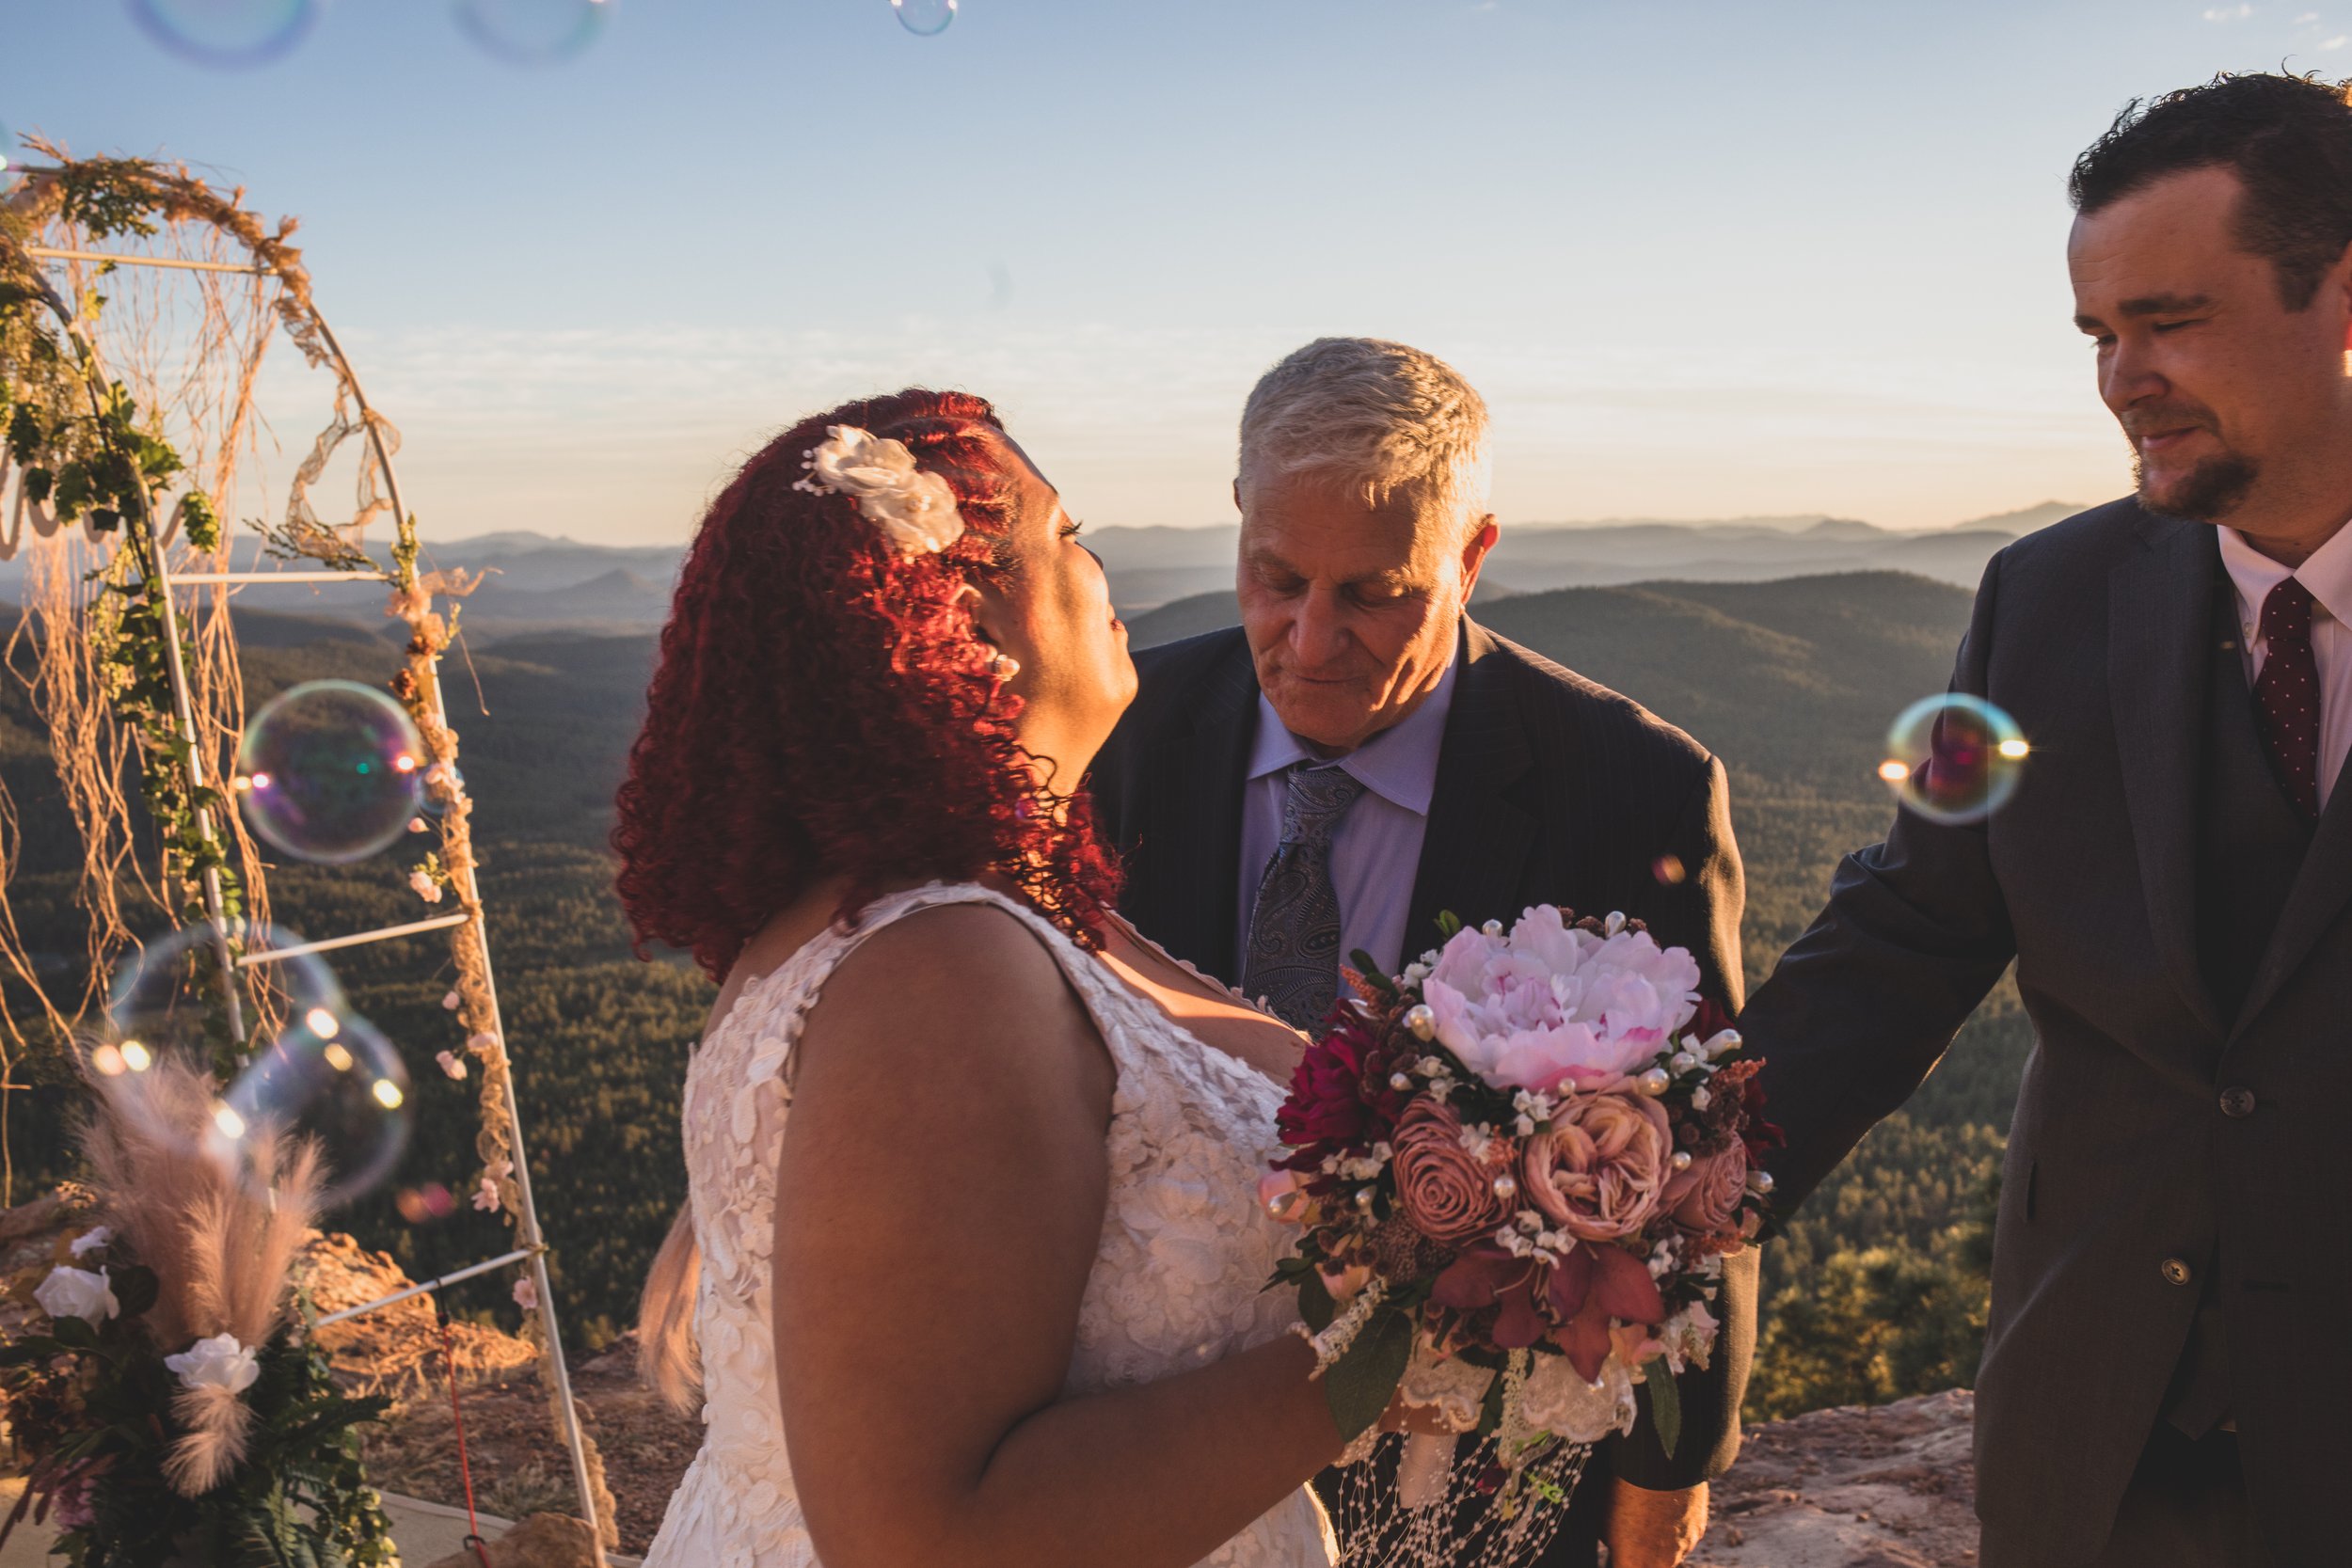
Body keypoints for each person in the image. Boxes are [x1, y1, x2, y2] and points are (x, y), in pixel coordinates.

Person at [618, 388, 1405, 1568]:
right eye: (1069, 533)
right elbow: (922, 1541)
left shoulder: (981, 911)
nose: (1100, 571)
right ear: (966, 608)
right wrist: (1397, 1349)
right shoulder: (940, 971)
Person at [1739, 73, 2352, 1568]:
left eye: (2172, 320)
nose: (2121, 377)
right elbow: (1913, 921)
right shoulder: (2045, 598)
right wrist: (1669, 1170)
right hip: (2102, 1439)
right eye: (2100, 334)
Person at [1088, 338, 1755, 1568]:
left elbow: (1695, 1178)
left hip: (1478, 1471)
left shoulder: (1631, 789)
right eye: (1274, 575)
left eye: (1375, 591)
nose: (1310, 636)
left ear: (1474, 553)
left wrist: (1664, 1485)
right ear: (1239, 516)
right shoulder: (1119, 729)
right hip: (1144, 1454)